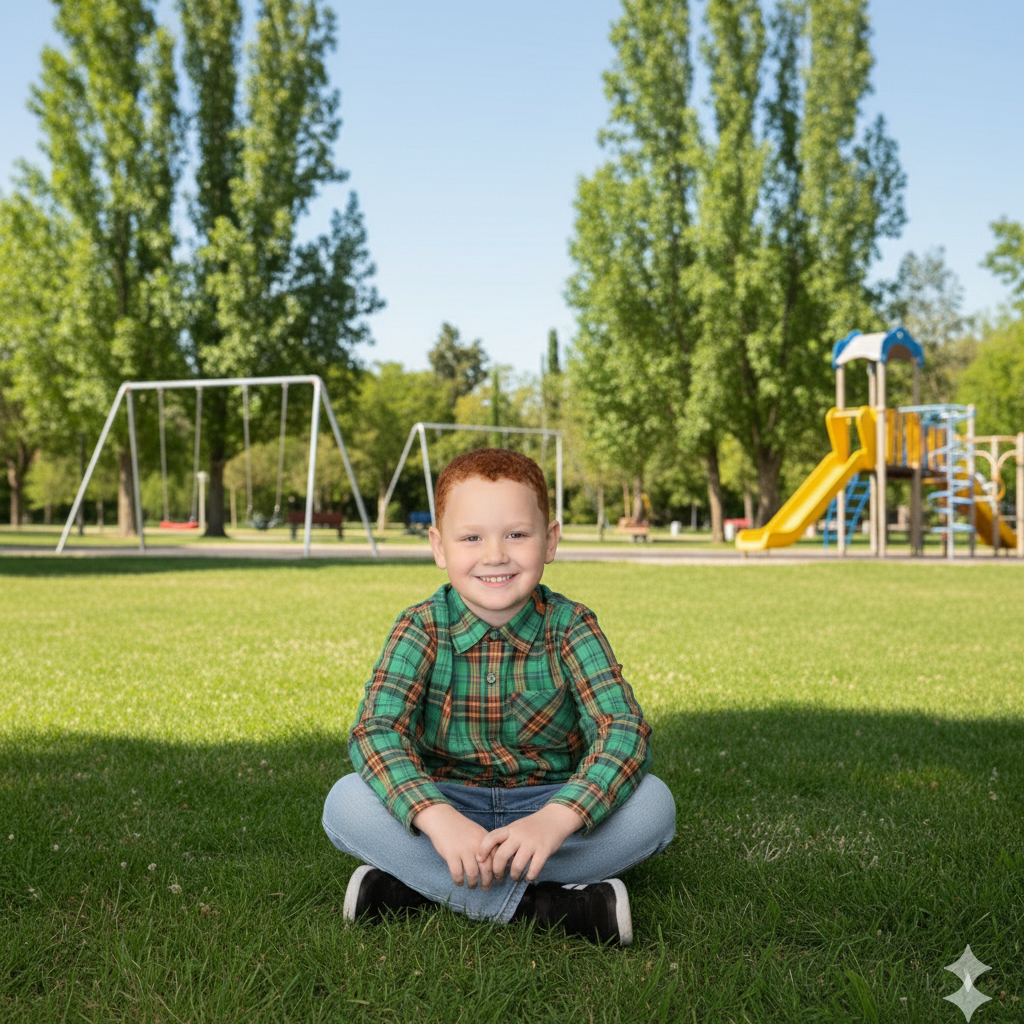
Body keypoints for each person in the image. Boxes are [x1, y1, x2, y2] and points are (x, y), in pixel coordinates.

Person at [322, 448, 675, 945]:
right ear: (439, 547)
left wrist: (557, 819)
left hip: (549, 808)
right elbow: (377, 732)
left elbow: (623, 730)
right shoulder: (419, 627)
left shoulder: (570, 625)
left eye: (516, 534)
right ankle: (551, 907)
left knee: (654, 807)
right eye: (471, 537)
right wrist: (438, 820)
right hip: (446, 802)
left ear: (549, 540)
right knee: (345, 802)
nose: (495, 555)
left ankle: (420, 889)